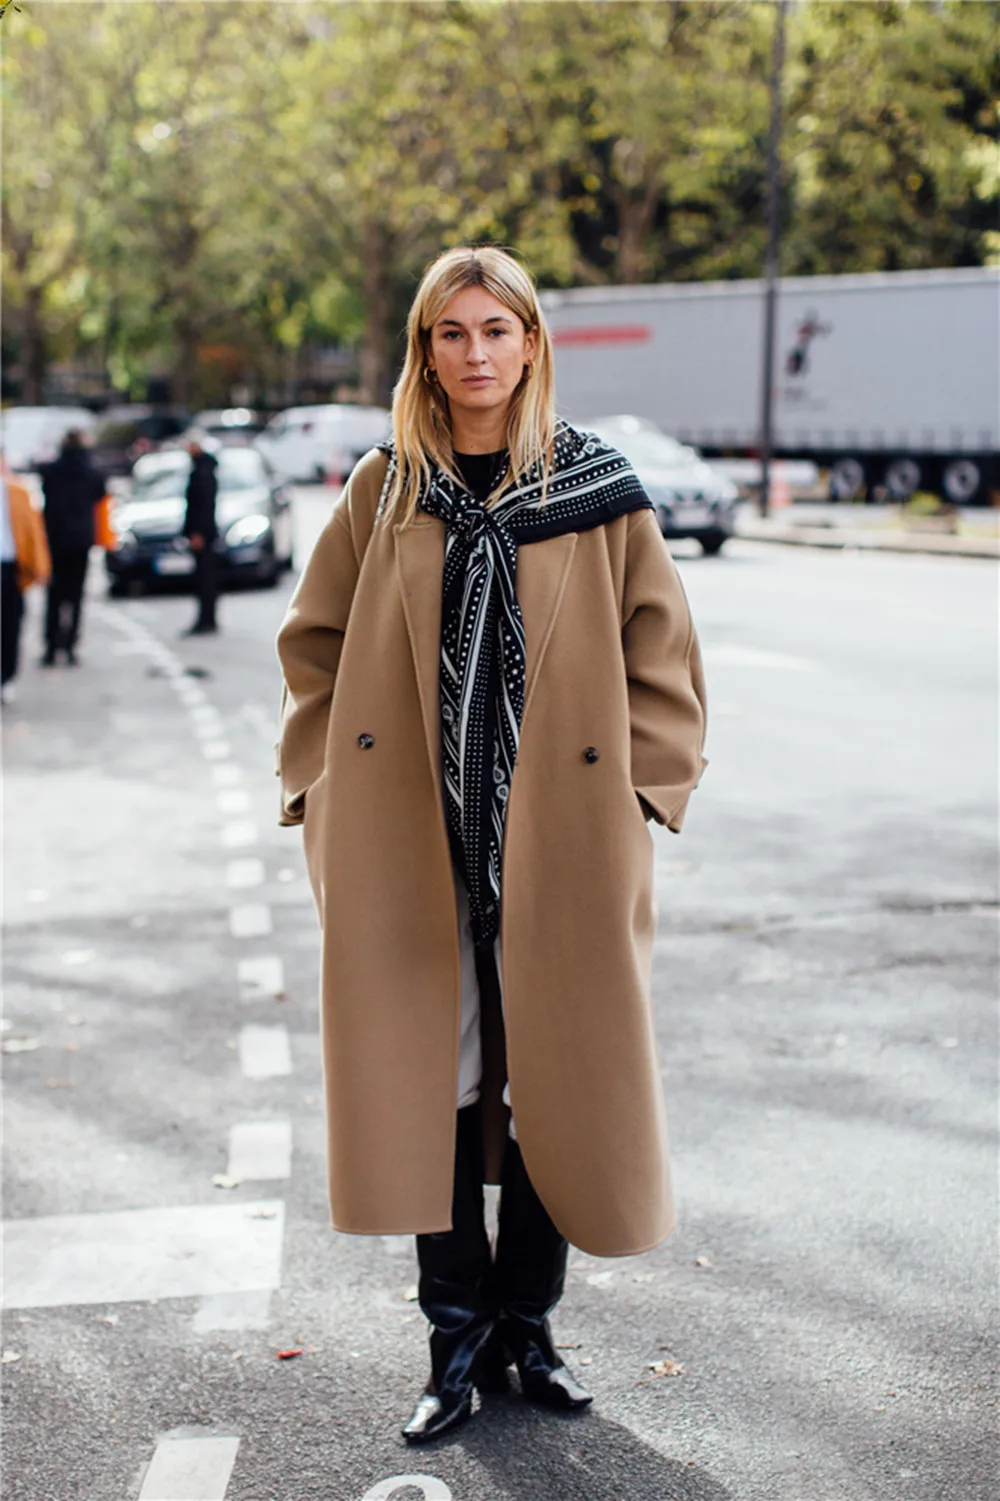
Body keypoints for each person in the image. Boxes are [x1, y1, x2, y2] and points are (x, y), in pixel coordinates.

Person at [276, 246, 707, 1444]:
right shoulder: (384, 490)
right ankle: (452, 1342)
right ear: (426, 350)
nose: (476, 355)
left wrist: (645, 797)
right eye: (451, 334)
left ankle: (530, 1329)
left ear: (531, 343)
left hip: (560, 843)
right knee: (432, 1080)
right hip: (407, 846)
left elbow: (660, 657)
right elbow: (312, 645)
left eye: (496, 331)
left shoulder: (598, 486)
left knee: (557, 1088)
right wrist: (317, 789)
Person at [38, 429, 105, 666]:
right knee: (75, 596)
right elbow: (100, 493)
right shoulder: (92, 472)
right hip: (80, 540)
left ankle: (50, 646)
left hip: (55, 539)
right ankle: (70, 646)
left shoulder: (52, 471)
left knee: (54, 594)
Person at [1, 455, 51, 704]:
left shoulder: (18, 492)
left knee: (10, 625)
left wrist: (40, 567)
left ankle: (6, 677)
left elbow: (34, 531)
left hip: (10, 569)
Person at [181, 435, 220, 636]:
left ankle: (207, 619)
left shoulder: (202, 472)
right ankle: (207, 618)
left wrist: (198, 533)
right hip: (204, 532)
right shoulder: (202, 468)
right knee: (205, 578)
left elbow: (202, 506)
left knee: (205, 579)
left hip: (203, 534)